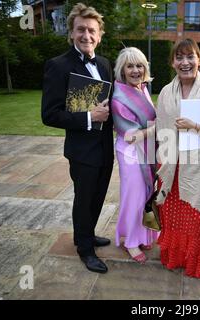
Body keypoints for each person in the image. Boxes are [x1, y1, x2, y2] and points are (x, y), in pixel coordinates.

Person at [41, 3, 114, 274]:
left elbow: (111, 104)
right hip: (82, 150)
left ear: (100, 34)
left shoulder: (105, 63)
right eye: (80, 30)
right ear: (71, 33)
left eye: (92, 30)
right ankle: (84, 248)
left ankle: (89, 233)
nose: (86, 35)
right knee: (84, 199)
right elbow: (49, 115)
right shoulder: (58, 65)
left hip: (106, 146)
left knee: (98, 197)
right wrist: (89, 117)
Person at [155, 38, 200, 288]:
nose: (185, 62)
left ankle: (197, 260)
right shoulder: (166, 91)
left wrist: (197, 128)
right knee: (172, 215)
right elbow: (160, 126)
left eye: (190, 57)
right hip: (170, 165)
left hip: (197, 166)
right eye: (179, 57)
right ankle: (175, 256)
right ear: (172, 62)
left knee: (195, 215)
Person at [111, 47, 159, 263]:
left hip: (147, 149)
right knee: (134, 197)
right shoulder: (119, 97)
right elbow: (130, 135)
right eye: (130, 66)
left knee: (147, 194)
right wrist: (156, 128)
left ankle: (145, 234)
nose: (135, 70)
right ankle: (131, 241)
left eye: (139, 65)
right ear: (122, 69)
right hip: (130, 153)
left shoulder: (143, 88)